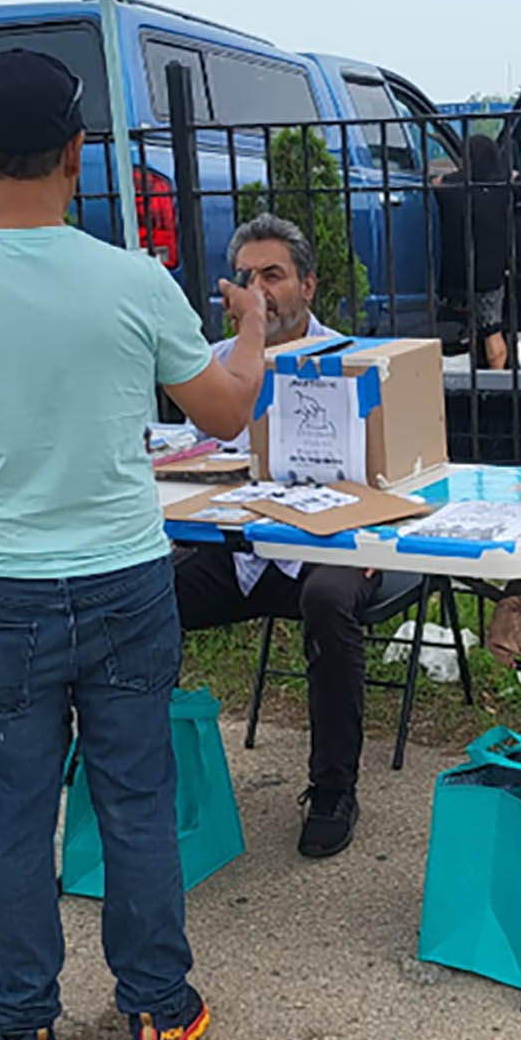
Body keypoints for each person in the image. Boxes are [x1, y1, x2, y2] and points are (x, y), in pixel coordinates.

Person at [0, 49, 267, 1040]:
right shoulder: (131, 279)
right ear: (76, 150)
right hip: (127, 581)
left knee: (16, 816)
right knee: (136, 802)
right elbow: (224, 414)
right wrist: (252, 332)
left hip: (0, 593)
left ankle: (19, 1030)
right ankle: (154, 1012)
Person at [171, 214, 377, 861]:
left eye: (274, 275)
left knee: (328, 601)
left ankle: (331, 788)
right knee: (139, 591)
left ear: (308, 285)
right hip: (237, 554)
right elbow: (196, 455)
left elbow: (392, 465)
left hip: (327, 549)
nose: (259, 290)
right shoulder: (212, 366)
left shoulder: (354, 362)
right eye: (247, 277)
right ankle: (139, 770)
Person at [433, 133, 521, 370]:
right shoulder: (503, 182)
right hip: (490, 272)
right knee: (491, 329)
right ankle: (497, 378)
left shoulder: (449, 185)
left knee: (461, 322)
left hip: (454, 272)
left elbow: (434, 184)